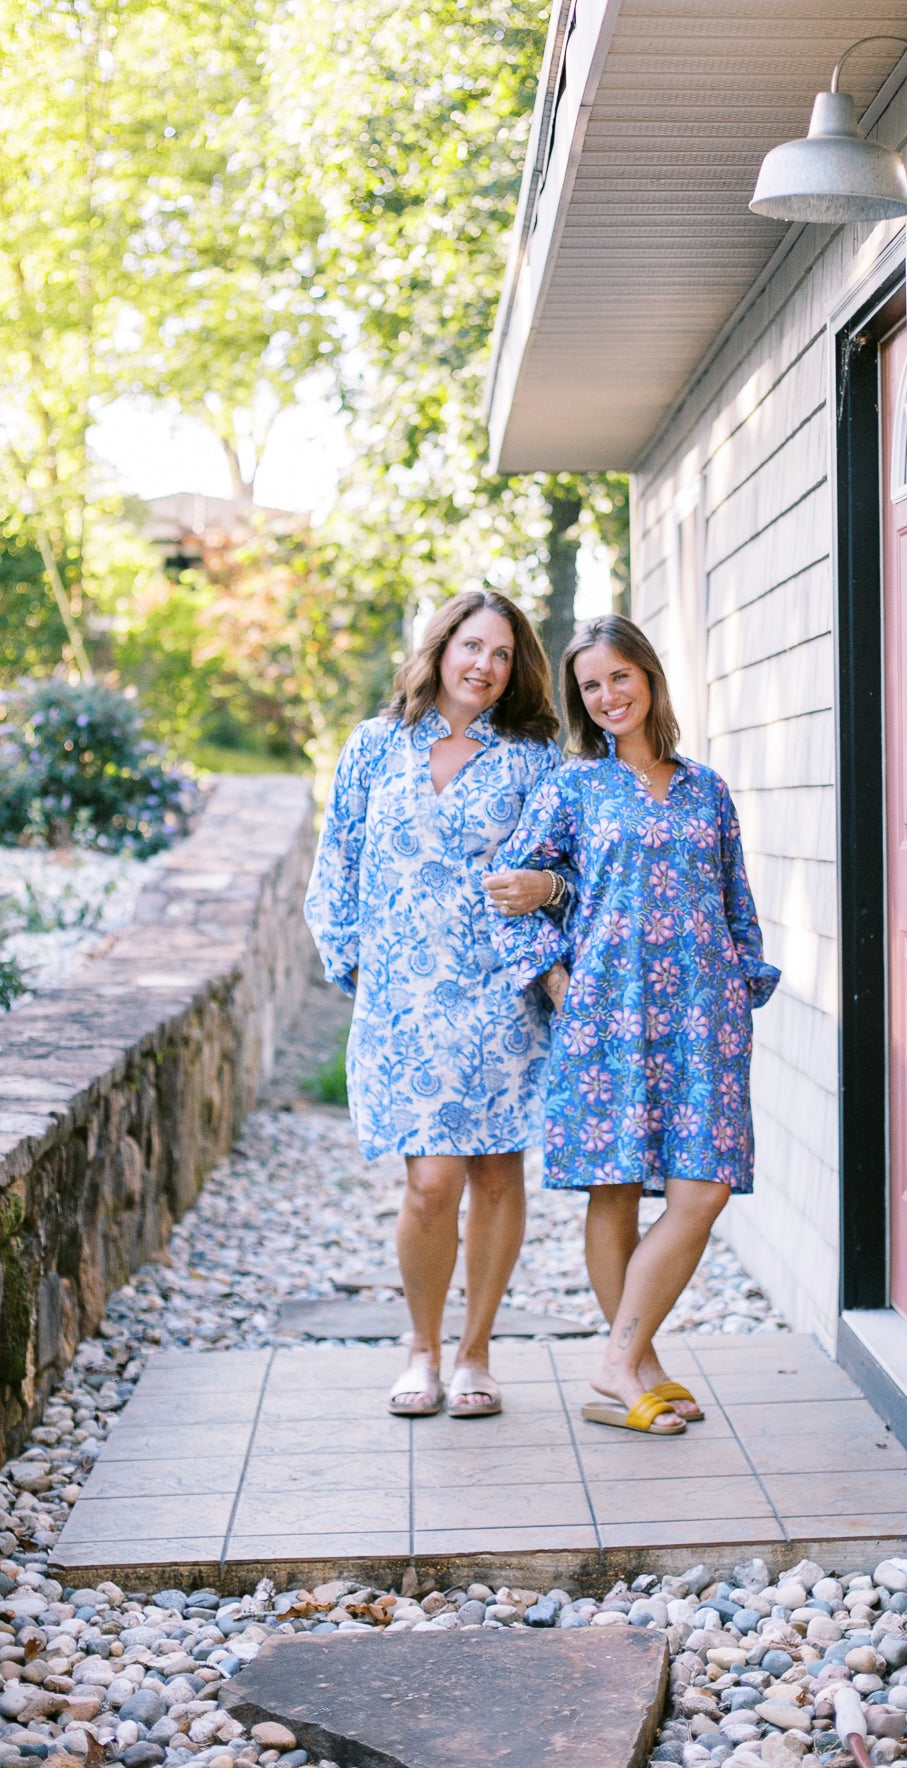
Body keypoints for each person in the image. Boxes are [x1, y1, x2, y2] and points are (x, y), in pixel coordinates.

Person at [487, 614, 779, 1435]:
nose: (608, 695)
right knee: (614, 1188)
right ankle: (634, 1369)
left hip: (702, 1018)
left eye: (620, 676)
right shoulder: (573, 787)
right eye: (591, 685)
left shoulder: (707, 789)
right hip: (605, 1015)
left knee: (702, 1190)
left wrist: (738, 991)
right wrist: (556, 983)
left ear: (647, 677)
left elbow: (735, 905)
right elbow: (510, 895)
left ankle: (619, 1357)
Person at [304, 590, 568, 1420]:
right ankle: (419, 1348)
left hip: (500, 994)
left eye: (501, 654)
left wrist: (548, 888)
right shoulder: (375, 747)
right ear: (440, 647)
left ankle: (475, 1352)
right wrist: (355, 968)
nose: (484, 666)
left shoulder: (535, 758)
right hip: (402, 1002)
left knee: (495, 1174)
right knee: (430, 1182)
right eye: (471, 647)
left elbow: (578, 869)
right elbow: (335, 863)